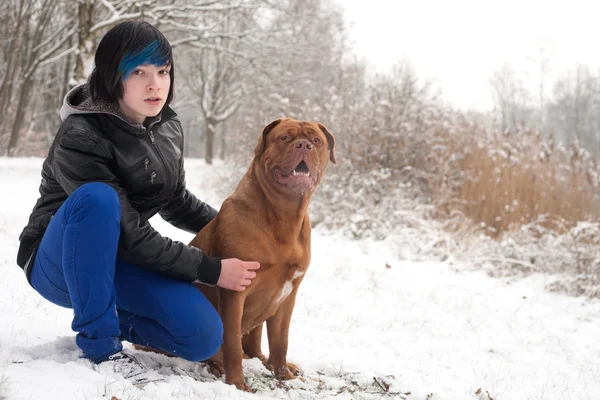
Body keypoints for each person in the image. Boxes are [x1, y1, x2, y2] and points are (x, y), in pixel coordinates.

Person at [16, 20, 260, 383]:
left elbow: (175, 201)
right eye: (139, 72)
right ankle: (100, 346)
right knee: (98, 199)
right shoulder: (81, 134)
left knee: (203, 337)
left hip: (116, 259)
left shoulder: (165, 125)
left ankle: (108, 316)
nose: (155, 84)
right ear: (113, 76)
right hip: (58, 261)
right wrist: (211, 268)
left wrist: (244, 231)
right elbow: (130, 233)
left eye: (163, 71)